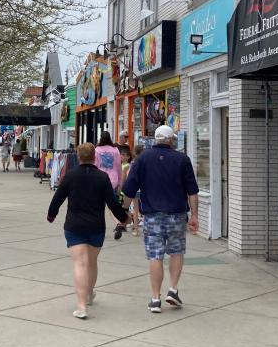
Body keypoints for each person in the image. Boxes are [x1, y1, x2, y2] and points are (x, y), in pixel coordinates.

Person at [47, 142, 131, 319]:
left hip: (74, 225)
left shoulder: (70, 175)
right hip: (96, 226)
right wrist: (124, 218)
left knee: (79, 264)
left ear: (78, 156)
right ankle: (89, 293)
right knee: (91, 263)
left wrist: (51, 215)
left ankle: (81, 305)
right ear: (95, 157)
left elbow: (58, 198)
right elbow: (112, 202)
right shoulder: (102, 177)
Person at [122, 125, 200, 313]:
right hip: (177, 215)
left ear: (156, 139)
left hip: (152, 216)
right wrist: (195, 215)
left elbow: (129, 189)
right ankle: (173, 290)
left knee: (155, 256)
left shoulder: (142, 159)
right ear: (171, 140)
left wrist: (124, 211)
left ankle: (155, 299)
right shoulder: (182, 159)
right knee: (176, 252)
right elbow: (192, 191)